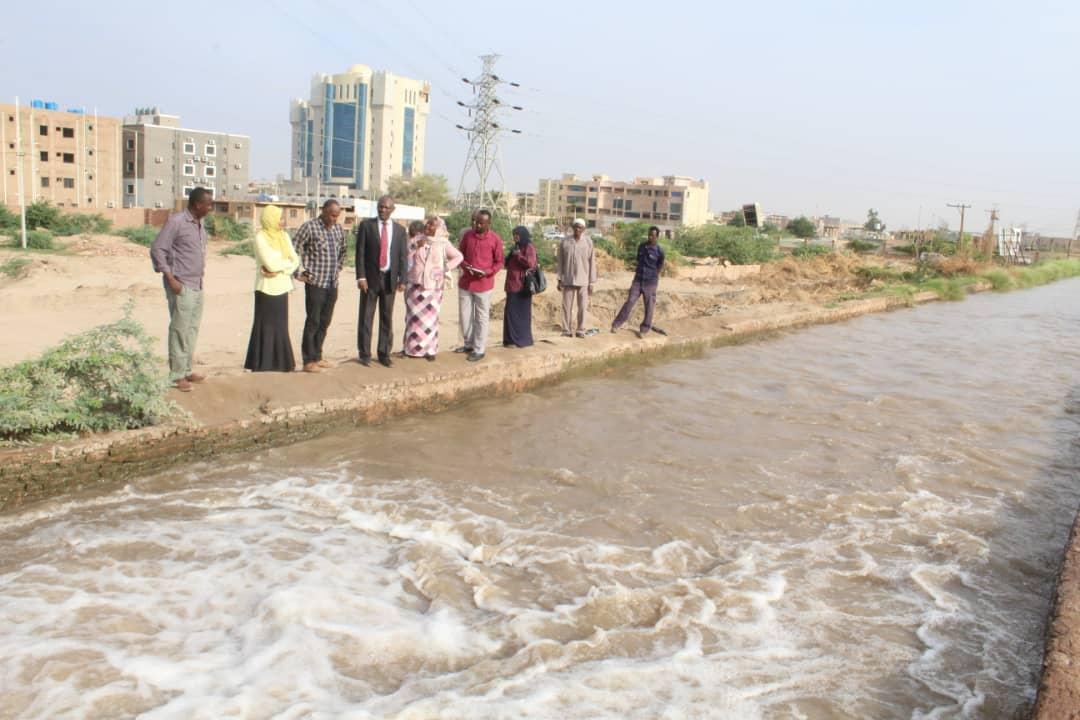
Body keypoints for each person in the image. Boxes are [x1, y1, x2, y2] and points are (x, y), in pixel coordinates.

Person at [150, 186, 213, 392]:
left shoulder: (199, 224)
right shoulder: (176, 222)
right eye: (209, 204)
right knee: (179, 329)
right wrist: (170, 278)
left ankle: (186, 369)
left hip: (197, 285)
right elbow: (158, 249)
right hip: (181, 285)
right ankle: (176, 375)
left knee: (191, 329)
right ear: (197, 204)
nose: (211, 208)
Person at [292, 199, 346, 373]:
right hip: (315, 283)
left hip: (332, 283)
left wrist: (338, 268)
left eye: (336, 216)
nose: (334, 218)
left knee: (325, 322)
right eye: (331, 214)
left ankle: (318, 356)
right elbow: (293, 249)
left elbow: (343, 250)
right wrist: (297, 272)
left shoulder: (338, 229)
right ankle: (308, 361)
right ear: (323, 211)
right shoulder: (309, 227)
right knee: (313, 321)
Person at [244, 205, 299, 372]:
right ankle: (263, 364)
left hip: (282, 287)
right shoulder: (261, 237)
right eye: (280, 218)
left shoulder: (284, 236)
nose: (282, 222)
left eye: (283, 218)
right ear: (270, 219)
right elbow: (270, 263)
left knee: (280, 326)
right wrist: (284, 264)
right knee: (265, 326)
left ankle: (281, 363)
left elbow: (295, 260)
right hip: (266, 288)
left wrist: (282, 267)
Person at [355, 195, 408, 367]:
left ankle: (384, 353)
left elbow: (402, 257)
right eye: (380, 207)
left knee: (387, 317)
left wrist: (403, 279)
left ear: (392, 210)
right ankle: (364, 354)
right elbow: (360, 253)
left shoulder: (400, 231)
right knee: (366, 317)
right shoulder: (366, 226)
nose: (382, 210)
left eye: (386, 207)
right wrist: (361, 276)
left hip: (389, 279)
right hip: (370, 279)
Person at [403, 216, 463, 361]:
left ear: (439, 228)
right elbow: (405, 257)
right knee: (413, 319)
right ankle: (411, 349)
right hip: (414, 287)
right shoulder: (417, 239)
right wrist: (416, 247)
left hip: (433, 289)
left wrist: (443, 269)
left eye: (432, 225)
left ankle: (430, 350)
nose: (428, 226)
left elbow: (458, 257)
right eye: (427, 223)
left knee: (430, 320)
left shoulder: (443, 243)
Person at [456, 209, 505, 362]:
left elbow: (500, 262)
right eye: (476, 222)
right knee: (465, 317)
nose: (477, 225)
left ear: (488, 224)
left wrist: (487, 272)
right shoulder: (467, 236)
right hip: (466, 282)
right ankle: (469, 344)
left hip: (484, 284)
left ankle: (479, 349)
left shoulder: (495, 239)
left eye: (481, 223)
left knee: (482, 318)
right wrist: (466, 267)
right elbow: (460, 255)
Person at [611, 225, 666, 338]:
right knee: (630, 301)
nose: (650, 237)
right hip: (638, 280)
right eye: (649, 235)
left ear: (657, 237)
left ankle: (644, 329)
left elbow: (660, 265)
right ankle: (616, 324)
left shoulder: (660, 251)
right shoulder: (642, 246)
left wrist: (654, 275)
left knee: (649, 306)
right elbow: (638, 260)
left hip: (650, 282)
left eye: (653, 235)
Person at [556, 218, 597, 338]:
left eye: (580, 227)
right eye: (576, 227)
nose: (577, 229)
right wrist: (559, 279)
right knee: (566, 306)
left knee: (582, 306)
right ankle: (566, 330)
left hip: (584, 279)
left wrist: (591, 282)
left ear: (584, 229)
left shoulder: (588, 242)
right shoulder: (565, 242)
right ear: (572, 228)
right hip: (568, 278)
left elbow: (592, 262)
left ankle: (580, 329)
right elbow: (560, 262)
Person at [502, 225, 538, 348]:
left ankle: (522, 340)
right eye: (514, 235)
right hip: (512, 285)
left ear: (522, 235)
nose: (515, 237)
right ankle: (510, 340)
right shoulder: (515, 247)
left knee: (522, 315)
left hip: (522, 286)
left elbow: (531, 263)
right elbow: (507, 264)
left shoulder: (529, 247)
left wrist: (518, 256)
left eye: (517, 235)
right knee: (510, 313)